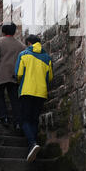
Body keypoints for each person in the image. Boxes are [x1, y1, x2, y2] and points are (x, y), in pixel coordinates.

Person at [15, 35, 53, 163]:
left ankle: (32, 143)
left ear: (29, 43)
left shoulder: (24, 54)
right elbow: (50, 77)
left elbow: (19, 74)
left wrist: (22, 82)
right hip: (41, 92)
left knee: (24, 119)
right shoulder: (47, 58)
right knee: (34, 119)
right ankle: (34, 145)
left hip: (26, 90)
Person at [0, 22, 26, 132]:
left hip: (1, 75)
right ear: (14, 31)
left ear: (3, 31)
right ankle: (17, 123)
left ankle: (4, 118)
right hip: (14, 76)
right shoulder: (21, 45)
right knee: (15, 99)